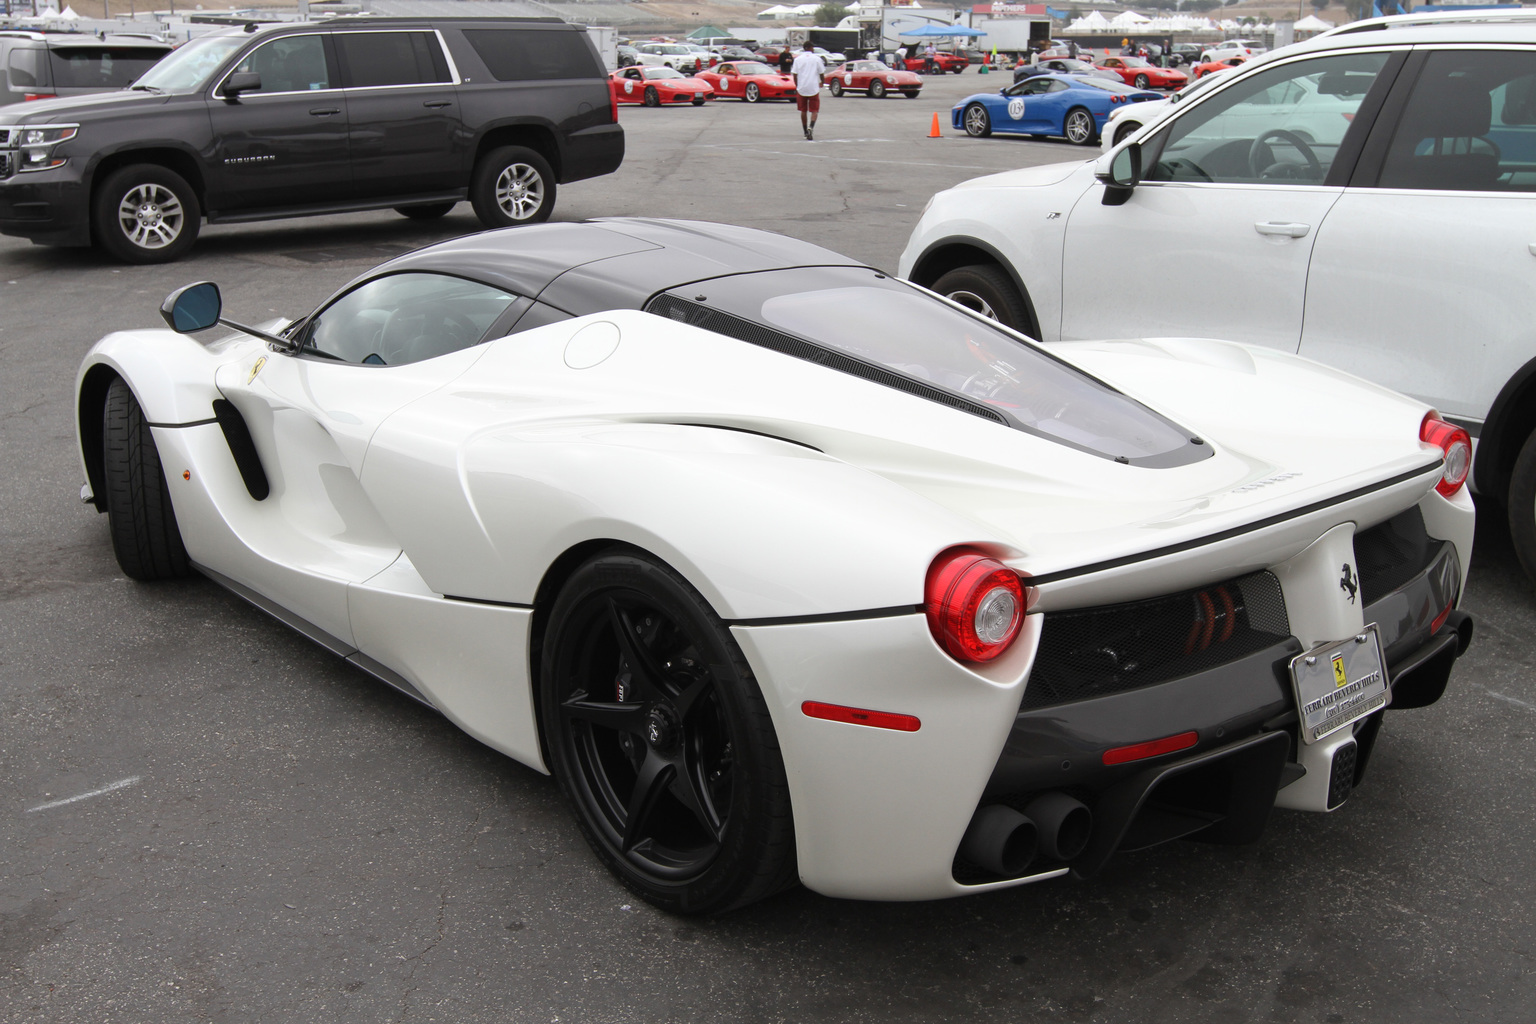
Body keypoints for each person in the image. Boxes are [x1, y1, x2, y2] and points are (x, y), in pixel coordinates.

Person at [790, 40, 825, 140]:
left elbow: (795, 74)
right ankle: (811, 127)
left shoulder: (798, 59)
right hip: (813, 87)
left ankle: (805, 130)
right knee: (814, 110)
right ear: (810, 48)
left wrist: (797, 85)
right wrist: (822, 81)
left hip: (802, 87)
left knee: (803, 110)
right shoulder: (817, 59)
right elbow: (821, 72)